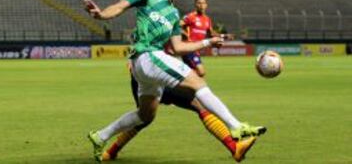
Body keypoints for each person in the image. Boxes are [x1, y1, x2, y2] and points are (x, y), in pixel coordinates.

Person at [84, 0, 260, 162]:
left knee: (146, 115)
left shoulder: (174, 14)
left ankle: (101, 137)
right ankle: (236, 128)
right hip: (147, 55)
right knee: (197, 83)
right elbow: (119, 6)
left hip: (146, 66)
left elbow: (177, 47)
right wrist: (100, 15)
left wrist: (207, 42)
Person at [100, 67, 267, 161]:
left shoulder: (161, 22)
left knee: (145, 119)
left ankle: (111, 152)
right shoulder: (155, 25)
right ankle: (234, 147)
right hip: (149, 80)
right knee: (145, 117)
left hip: (158, 79)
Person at [181, 0, 230, 77]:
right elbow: (177, 26)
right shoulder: (190, 17)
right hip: (189, 48)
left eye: (203, 3)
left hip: (197, 49)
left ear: (206, 5)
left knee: (192, 73)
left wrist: (224, 36)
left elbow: (211, 34)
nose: (201, 5)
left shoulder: (207, 19)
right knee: (201, 72)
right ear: (195, 5)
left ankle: (178, 86)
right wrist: (183, 33)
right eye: (199, 3)